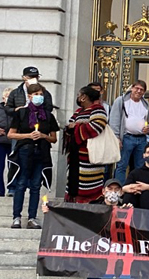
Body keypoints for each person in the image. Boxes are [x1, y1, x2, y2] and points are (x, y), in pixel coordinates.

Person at [45, 179, 134, 279]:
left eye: (116, 190)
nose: (113, 192)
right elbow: (73, 216)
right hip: (97, 248)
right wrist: (52, 211)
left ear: (121, 193)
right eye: (110, 189)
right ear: (103, 191)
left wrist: (130, 213)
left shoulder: (125, 208)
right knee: (85, 255)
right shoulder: (92, 207)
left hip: (117, 250)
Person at [7, 83, 58, 229]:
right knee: (21, 183)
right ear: (29, 96)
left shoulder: (48, 116)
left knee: (36, 185)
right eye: (36, 95)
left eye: (41, 94)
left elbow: (53, 138)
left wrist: (43, 135)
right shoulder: (21, 113)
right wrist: (28, 135)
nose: (38, 97)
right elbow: (11, 134)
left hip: (41, 152)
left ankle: (32, 217)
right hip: (24, 151)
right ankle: (16, 216)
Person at [64, 86, 108, 203]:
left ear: (84, 97)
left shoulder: (98, 109)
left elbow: (96, 127)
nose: (78, 97)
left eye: (79, 95)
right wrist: (76, 125)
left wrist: (77, 126)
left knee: (88, 183)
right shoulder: (78, 111)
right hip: (75, 154)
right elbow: (69, 125)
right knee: (73, 181)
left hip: (90, 154)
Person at [109, 80, 149, 183]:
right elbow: (114, 120)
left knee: (140, 166)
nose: (138, 91)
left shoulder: (145, 103)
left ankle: (136, 189)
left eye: (141, 90)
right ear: (132, 88)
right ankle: (120, 189)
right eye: (136, 88)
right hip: (126, 137)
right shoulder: (121, 101)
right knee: (122, 165)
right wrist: (116, 138)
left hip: (142, 139)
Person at [121, 143, 149, 210]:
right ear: (144, 155)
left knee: (147, 194)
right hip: (136, 203)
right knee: (129, 195)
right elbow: (124, 188)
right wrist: (133, 188)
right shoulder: (135, 172)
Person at [0, 87, 11, 197]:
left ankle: (11, 189)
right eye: (7, 96)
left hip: (13, 142)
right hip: (1, 142)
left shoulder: (16, 110)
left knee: (13, 167)